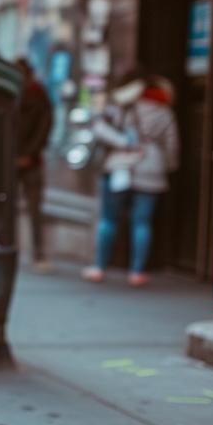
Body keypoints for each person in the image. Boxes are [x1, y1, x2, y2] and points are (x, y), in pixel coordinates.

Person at [82, 70, 179, 287]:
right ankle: (137, 271)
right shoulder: (164, 112)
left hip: (120, 165)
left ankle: (99, 267)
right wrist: (168, 166)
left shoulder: (121, 106)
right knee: (142, 222)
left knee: (108, 219)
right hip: (152, 167)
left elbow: (99, 128)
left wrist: (123, 142)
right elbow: (172, 145)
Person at [15, 58, 54, 271]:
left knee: (32, 208)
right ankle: (33, 252)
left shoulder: (37, 94)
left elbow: (44, 125)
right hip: (25, 158)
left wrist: (28, 153)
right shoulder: (35, 93)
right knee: (31, 208)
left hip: (28, 159)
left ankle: (36, 252)